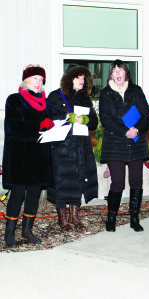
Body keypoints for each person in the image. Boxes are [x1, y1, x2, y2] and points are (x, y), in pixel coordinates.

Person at [3, 64, 54, 248]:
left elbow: (47, 128)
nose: (38, 83)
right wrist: (39, 125)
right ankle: (9, 233)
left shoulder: (45, 103)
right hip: (20, 158)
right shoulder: (15, 100)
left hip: (39, 158)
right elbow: (13, 128)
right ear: (26, 80)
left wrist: (53, 128)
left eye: (41, 80)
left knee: (34, 195)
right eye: (35, 79)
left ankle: (27, 231)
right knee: (17, 196)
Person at [99, 59, 149, 232]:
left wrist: (137, 129)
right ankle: (111, 219)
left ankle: (134, 219)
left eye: (120, 70)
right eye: (114, 70)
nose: (118, 73)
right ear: (111, 74)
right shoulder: (106, 93)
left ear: (126, 72)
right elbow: (106, 119)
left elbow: (146, 115)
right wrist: (125, 131)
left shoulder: (136, 90)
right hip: (115, 142)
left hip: (136, 142)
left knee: (137, 181)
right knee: (118, 183)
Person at [47, 65, 98, 232]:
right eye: (78, 77)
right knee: (61, 182)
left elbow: (94, 122)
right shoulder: (56, 96)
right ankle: (63, 219)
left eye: (84, 78)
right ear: (69, 79)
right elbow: (48, 117)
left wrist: (84, 120)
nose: (82, 81)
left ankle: (75, 217)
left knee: (78, 180)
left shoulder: (85, 99)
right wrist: (68, 117)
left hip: (81, 147)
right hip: (62, 147)